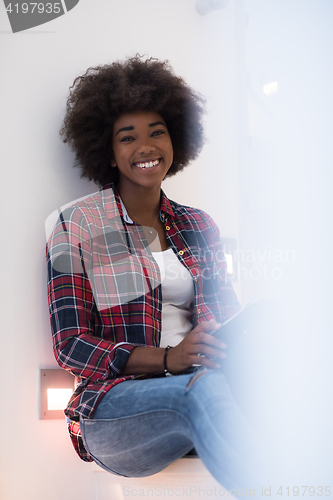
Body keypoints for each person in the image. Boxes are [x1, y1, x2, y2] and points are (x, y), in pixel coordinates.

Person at [46, 55, 266, 494]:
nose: (145, 147)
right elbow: (70, 345)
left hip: (205, 383)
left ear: (176, 140)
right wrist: (170, 359)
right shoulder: (79, 224)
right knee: (200, 390)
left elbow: (223, 316)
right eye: (128, 138)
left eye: (157, 132)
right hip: (112, 409)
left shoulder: (198, 225)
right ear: (108, 152)